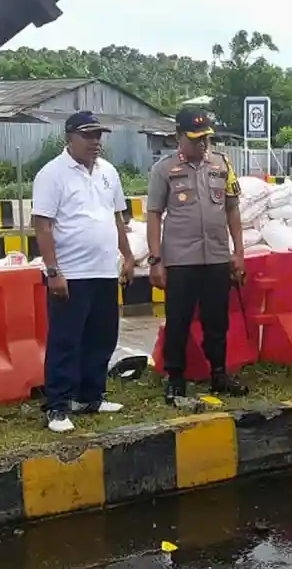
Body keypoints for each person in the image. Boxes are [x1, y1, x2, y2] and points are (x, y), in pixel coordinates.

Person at [31, 111, 136, 434]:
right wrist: (53, 271)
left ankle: (90, 396)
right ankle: (58, 406)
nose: (95, 143)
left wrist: (128, 256)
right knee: (66, 340)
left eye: (98, 136)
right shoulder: (52, 174)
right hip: (71, 272)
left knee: (102, 337)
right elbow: (43, 225)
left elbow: (117, 217)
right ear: (69, 138)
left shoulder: (108, 172)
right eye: (88, 136)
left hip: (104, 269)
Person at [146, 107, 249, 403]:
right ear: (179, 137)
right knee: (177, 320)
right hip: (181, 260)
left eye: (205, 138)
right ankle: (175, 378)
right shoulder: (163, 170)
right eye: (194, 138)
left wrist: (238, 252)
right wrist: (155, 259)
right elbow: (154, 215)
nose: (202, 144)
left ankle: (219, 374)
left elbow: (232, 209)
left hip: (216, 257)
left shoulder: (221, 164)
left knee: (217, 321)